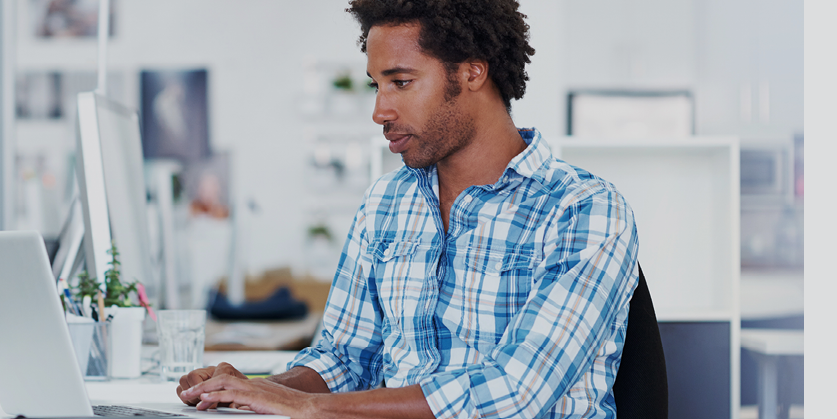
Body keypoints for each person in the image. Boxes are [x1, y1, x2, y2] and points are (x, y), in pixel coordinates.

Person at [175, 1, 640, 418]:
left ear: (471, 73)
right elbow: (345, 358)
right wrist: (249, 389)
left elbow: (515, 391)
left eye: (400, 82)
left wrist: (309, 406)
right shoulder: (386, 203)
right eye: (377, 85)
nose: (379, 110)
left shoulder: (584, 209)